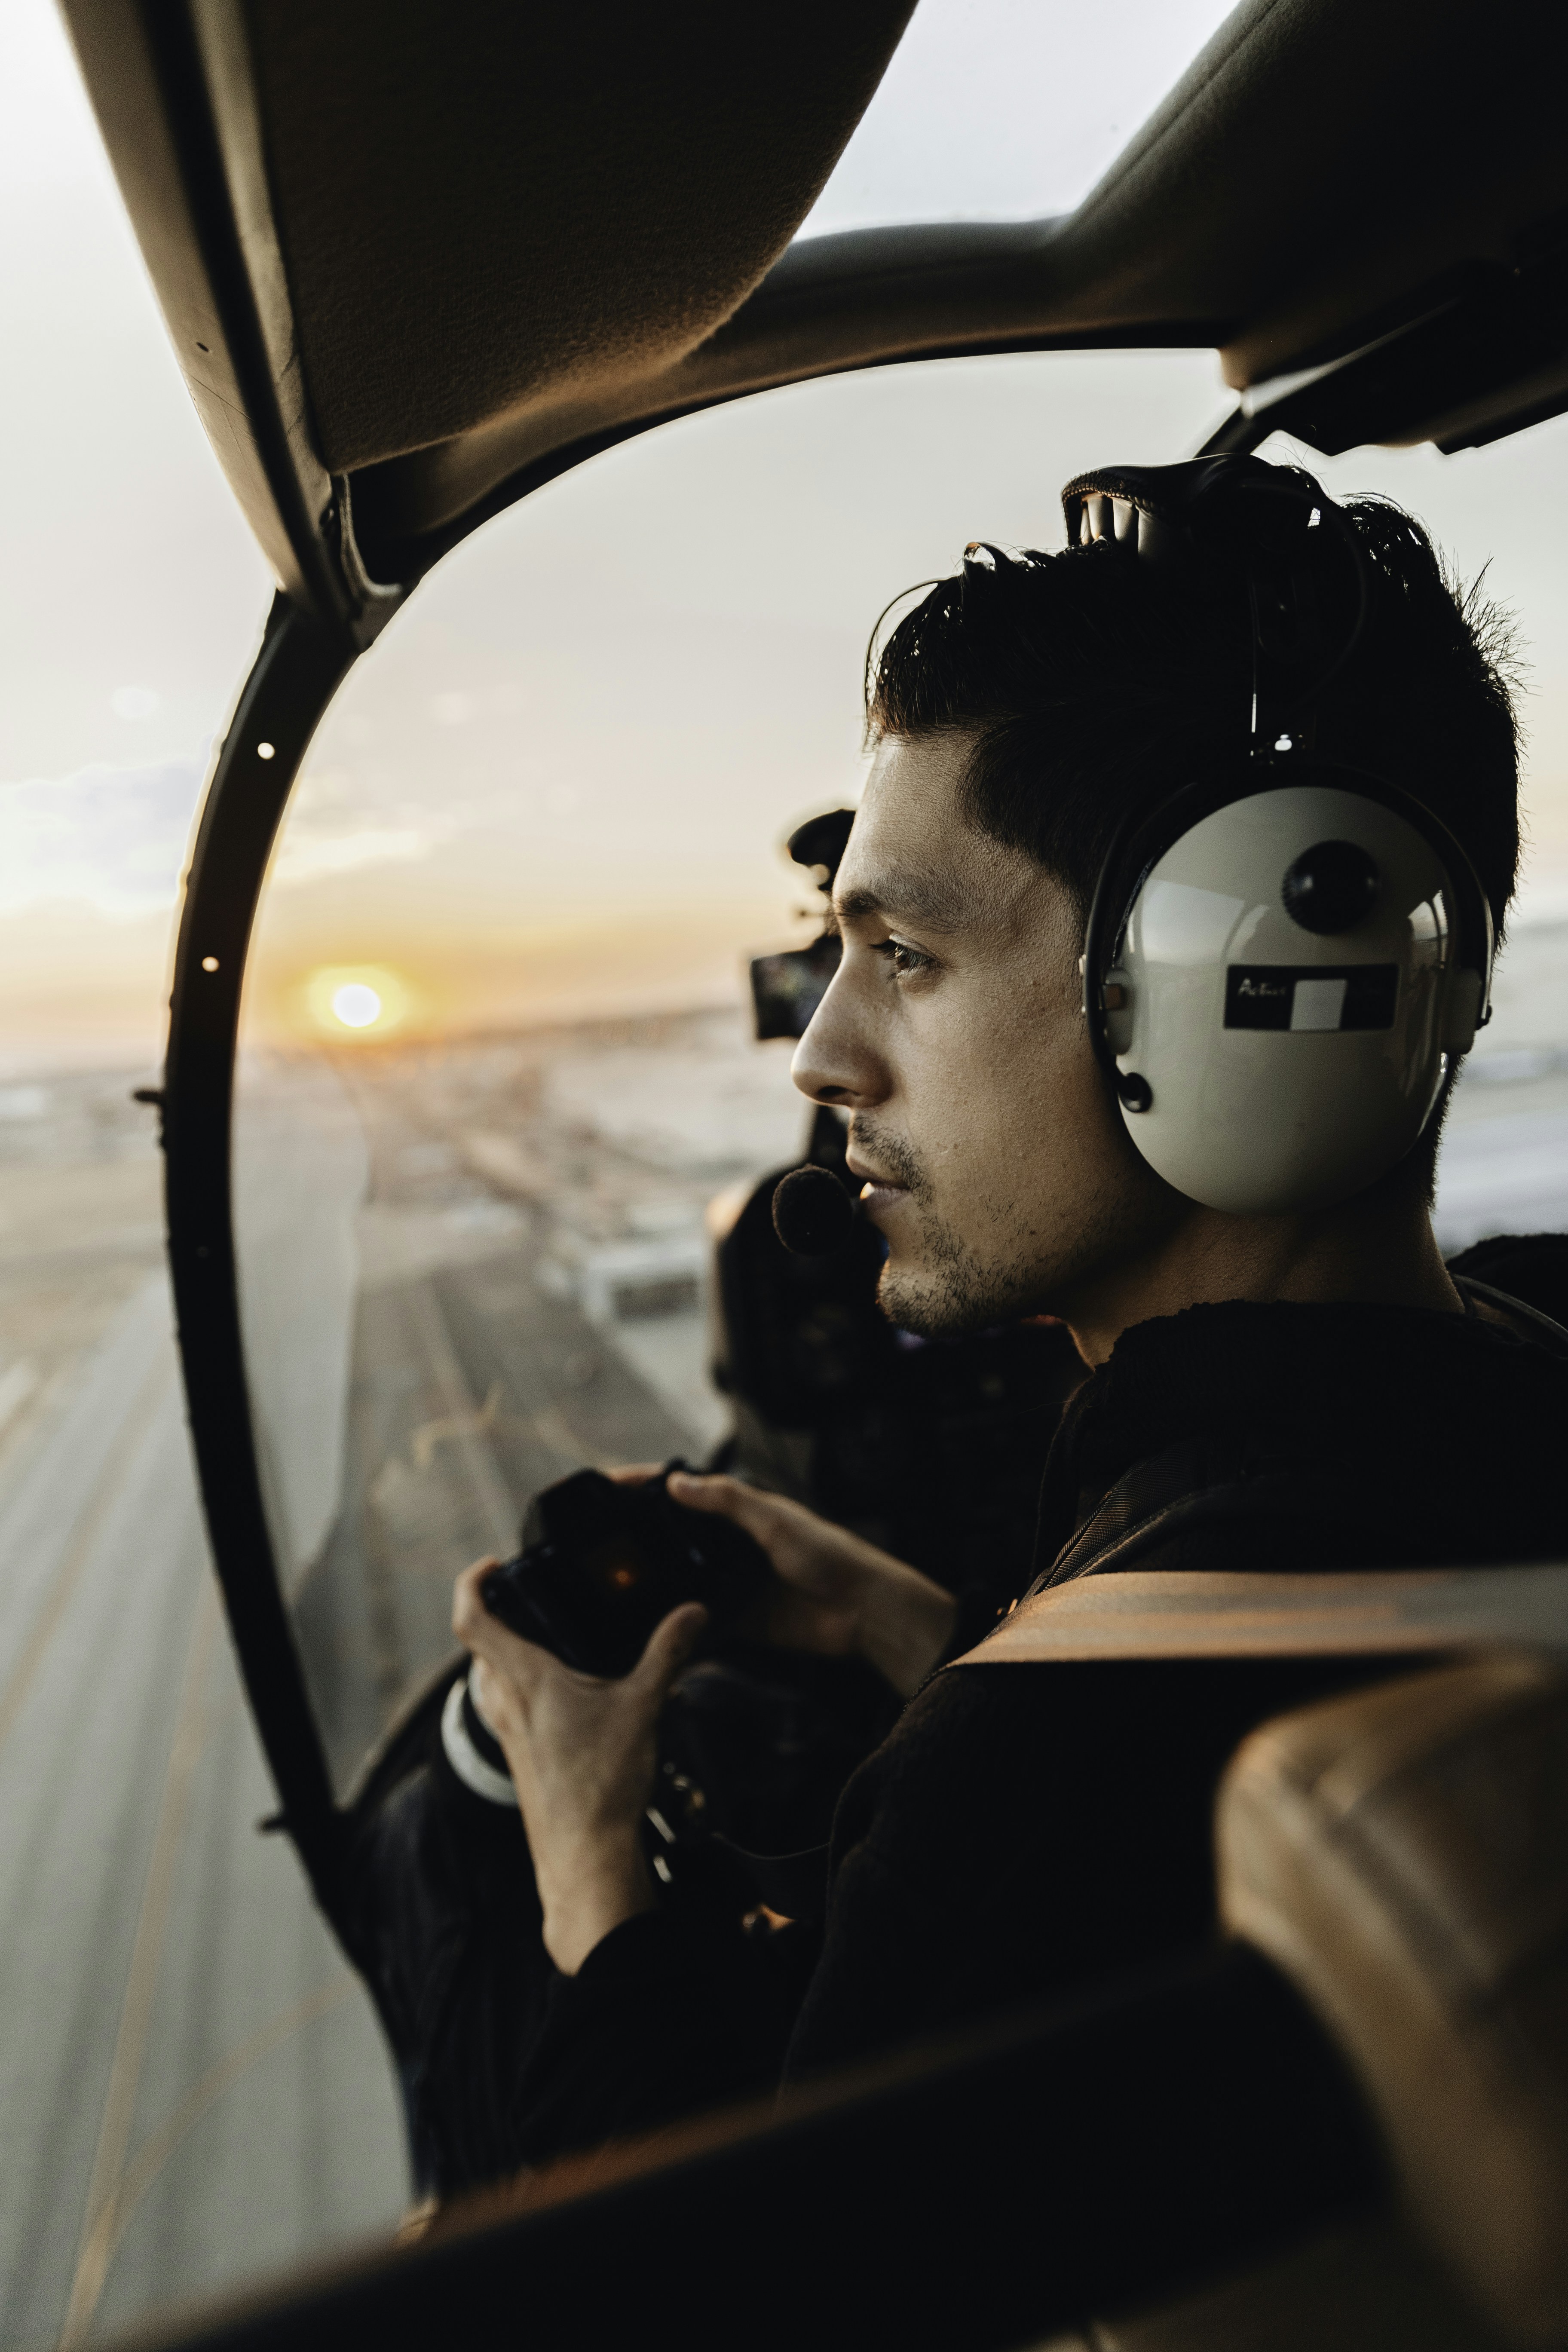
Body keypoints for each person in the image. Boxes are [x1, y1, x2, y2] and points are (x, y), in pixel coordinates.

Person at [432, 455, 1568, 2179]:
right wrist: (944, 1634)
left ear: (1245, 1005)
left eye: (906, 955)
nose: (824, 1058)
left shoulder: (1018, 1797)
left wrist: (589, 1843)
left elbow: (725, 2306)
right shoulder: (1533, 1347)